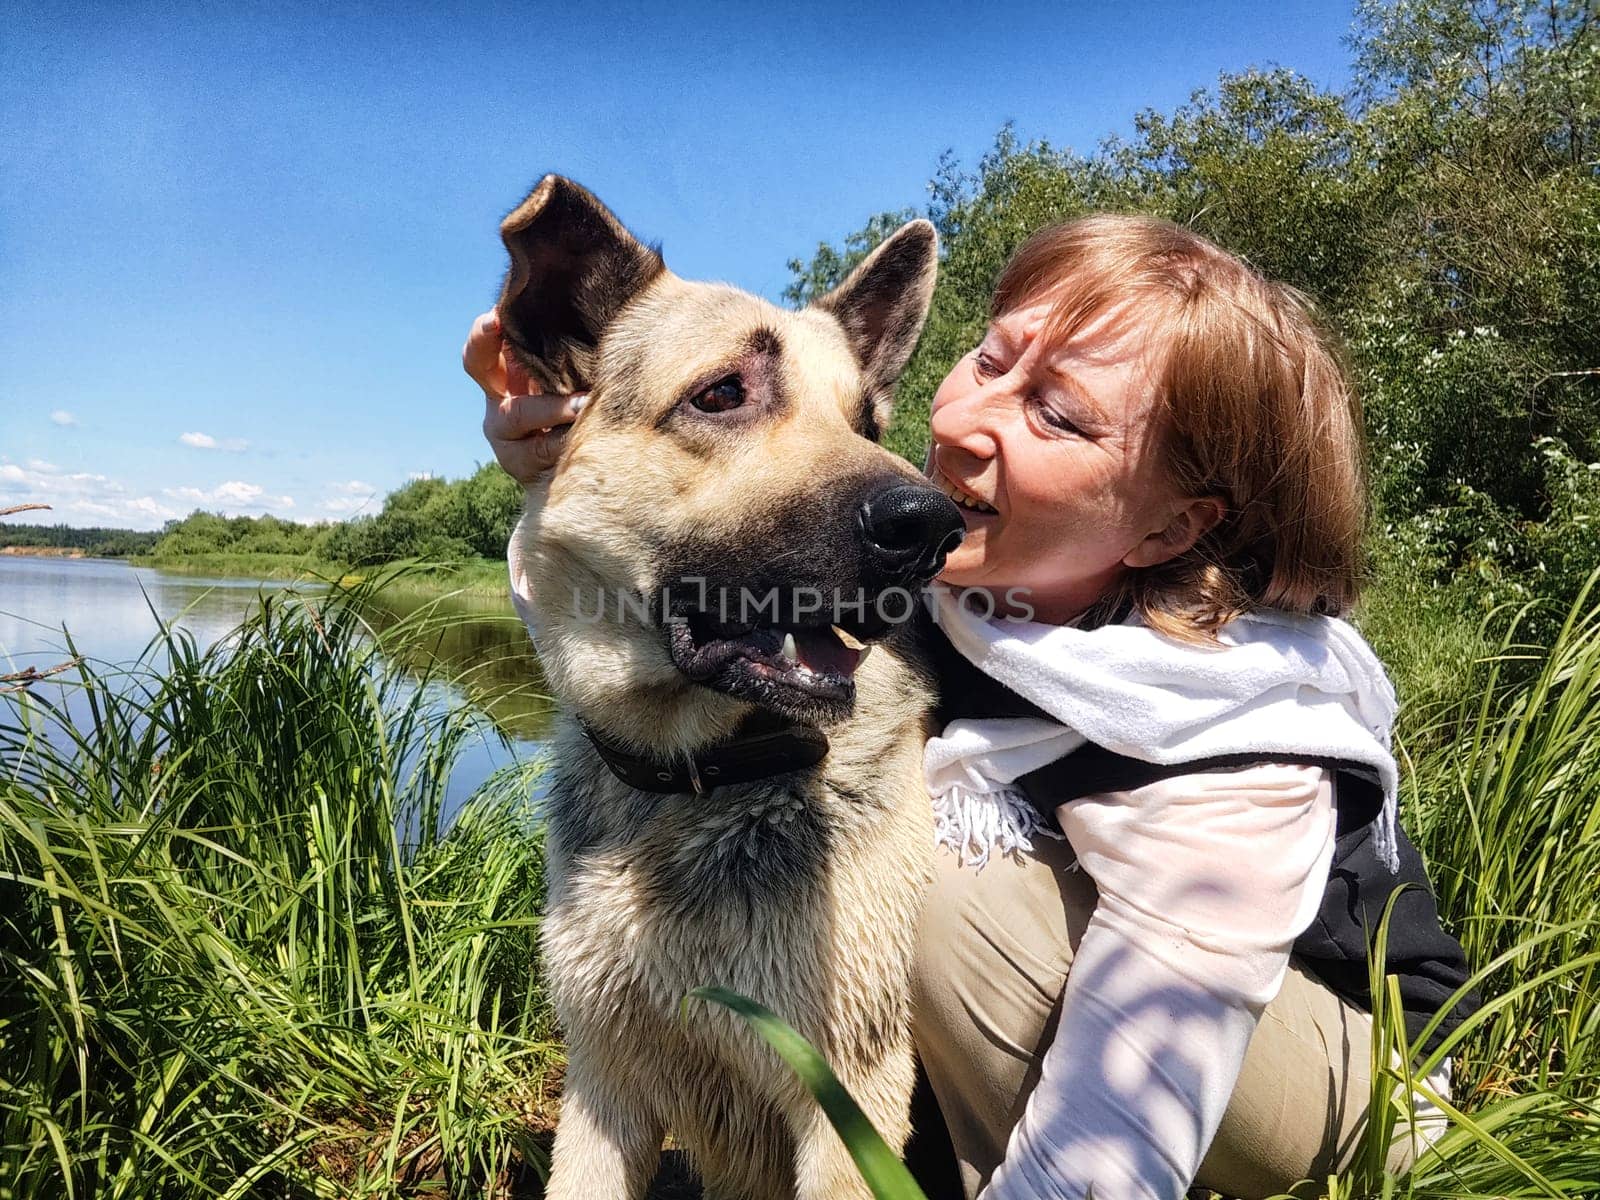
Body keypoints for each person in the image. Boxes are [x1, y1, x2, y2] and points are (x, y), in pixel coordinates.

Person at [462, 214, 1478, 1200]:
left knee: (942, 879)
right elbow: (651, 600)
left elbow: (1126, 1112)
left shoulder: (1229, 728)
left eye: (1058, 413)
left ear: (1173, 528)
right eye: (990, 362)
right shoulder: (968, 586)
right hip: (1122, 1011)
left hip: (1354, 1083)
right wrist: (562, 462)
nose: (959, 423)